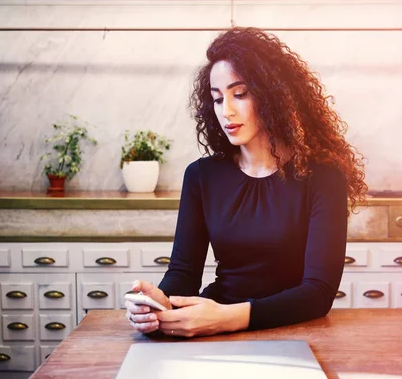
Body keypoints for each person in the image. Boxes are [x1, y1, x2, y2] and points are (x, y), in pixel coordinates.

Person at [126, 27, 367, 338]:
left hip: (293, 331)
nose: (226, 111)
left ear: (273, 96)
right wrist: (161, 303)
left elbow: (318, 293)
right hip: (213, 328)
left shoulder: (323, 177)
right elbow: (183, 274)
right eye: (217, 99)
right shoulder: (201, 176)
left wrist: (227, 318)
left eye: (240, 94)